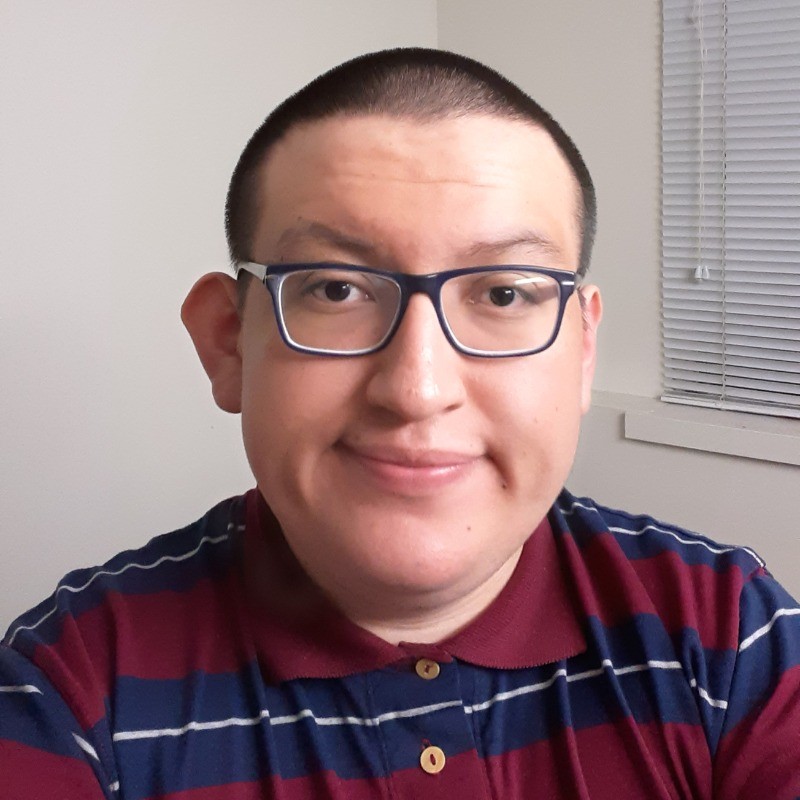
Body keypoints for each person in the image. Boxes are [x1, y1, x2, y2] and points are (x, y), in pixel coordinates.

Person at [1, 47, 798, 800]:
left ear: (583, 352)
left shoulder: (730, 635)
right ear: (227, 344)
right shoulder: (67, 692)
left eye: (504, 294)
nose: (416, 390)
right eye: (337, 291)